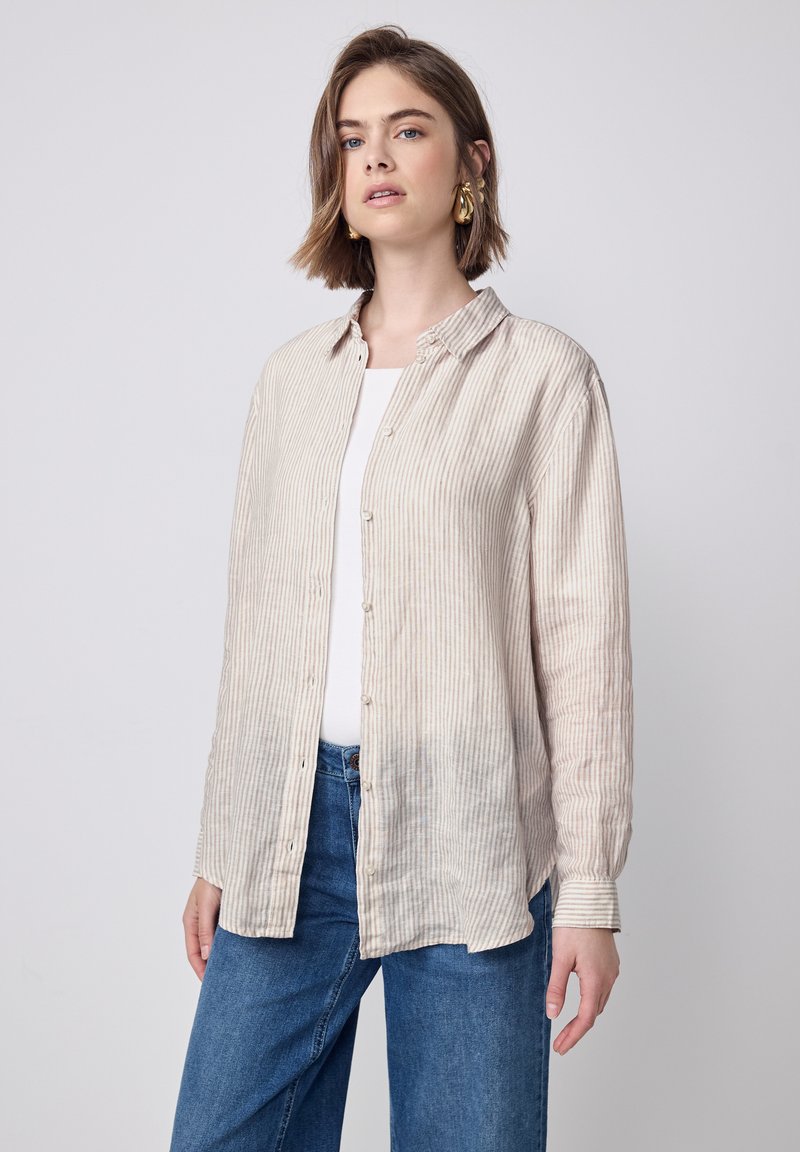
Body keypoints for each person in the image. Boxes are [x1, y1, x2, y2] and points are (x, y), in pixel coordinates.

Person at [169, 23, 633, 1152]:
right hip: (287, 837)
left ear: (472, 162)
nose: (374, 157)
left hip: (471, 829)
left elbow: (582, 644)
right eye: (350, 139)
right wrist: (223, 841)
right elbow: (256, 626)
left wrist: (588, 894)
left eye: (407, 130)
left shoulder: (543, 379)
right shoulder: (290, 382)